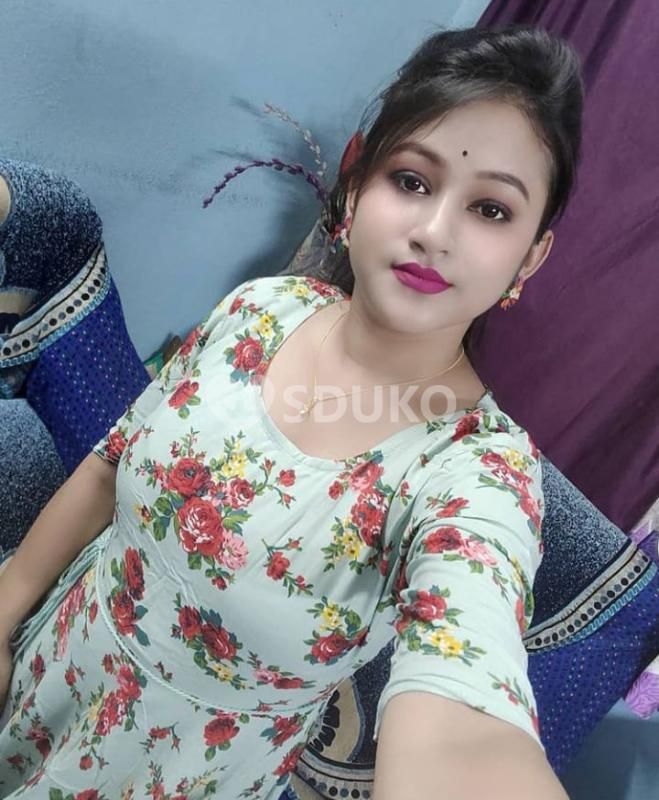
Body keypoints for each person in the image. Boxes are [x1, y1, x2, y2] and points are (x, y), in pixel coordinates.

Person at [0, 24, 582, 800]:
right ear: (356, 183)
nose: (433, 232)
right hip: (48, 666)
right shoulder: (261, 310)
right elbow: (111, 467)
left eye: (490, 209)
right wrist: (5, 611)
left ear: (530, 256)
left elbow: (465, 704)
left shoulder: (476, 475)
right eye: (411, 181)